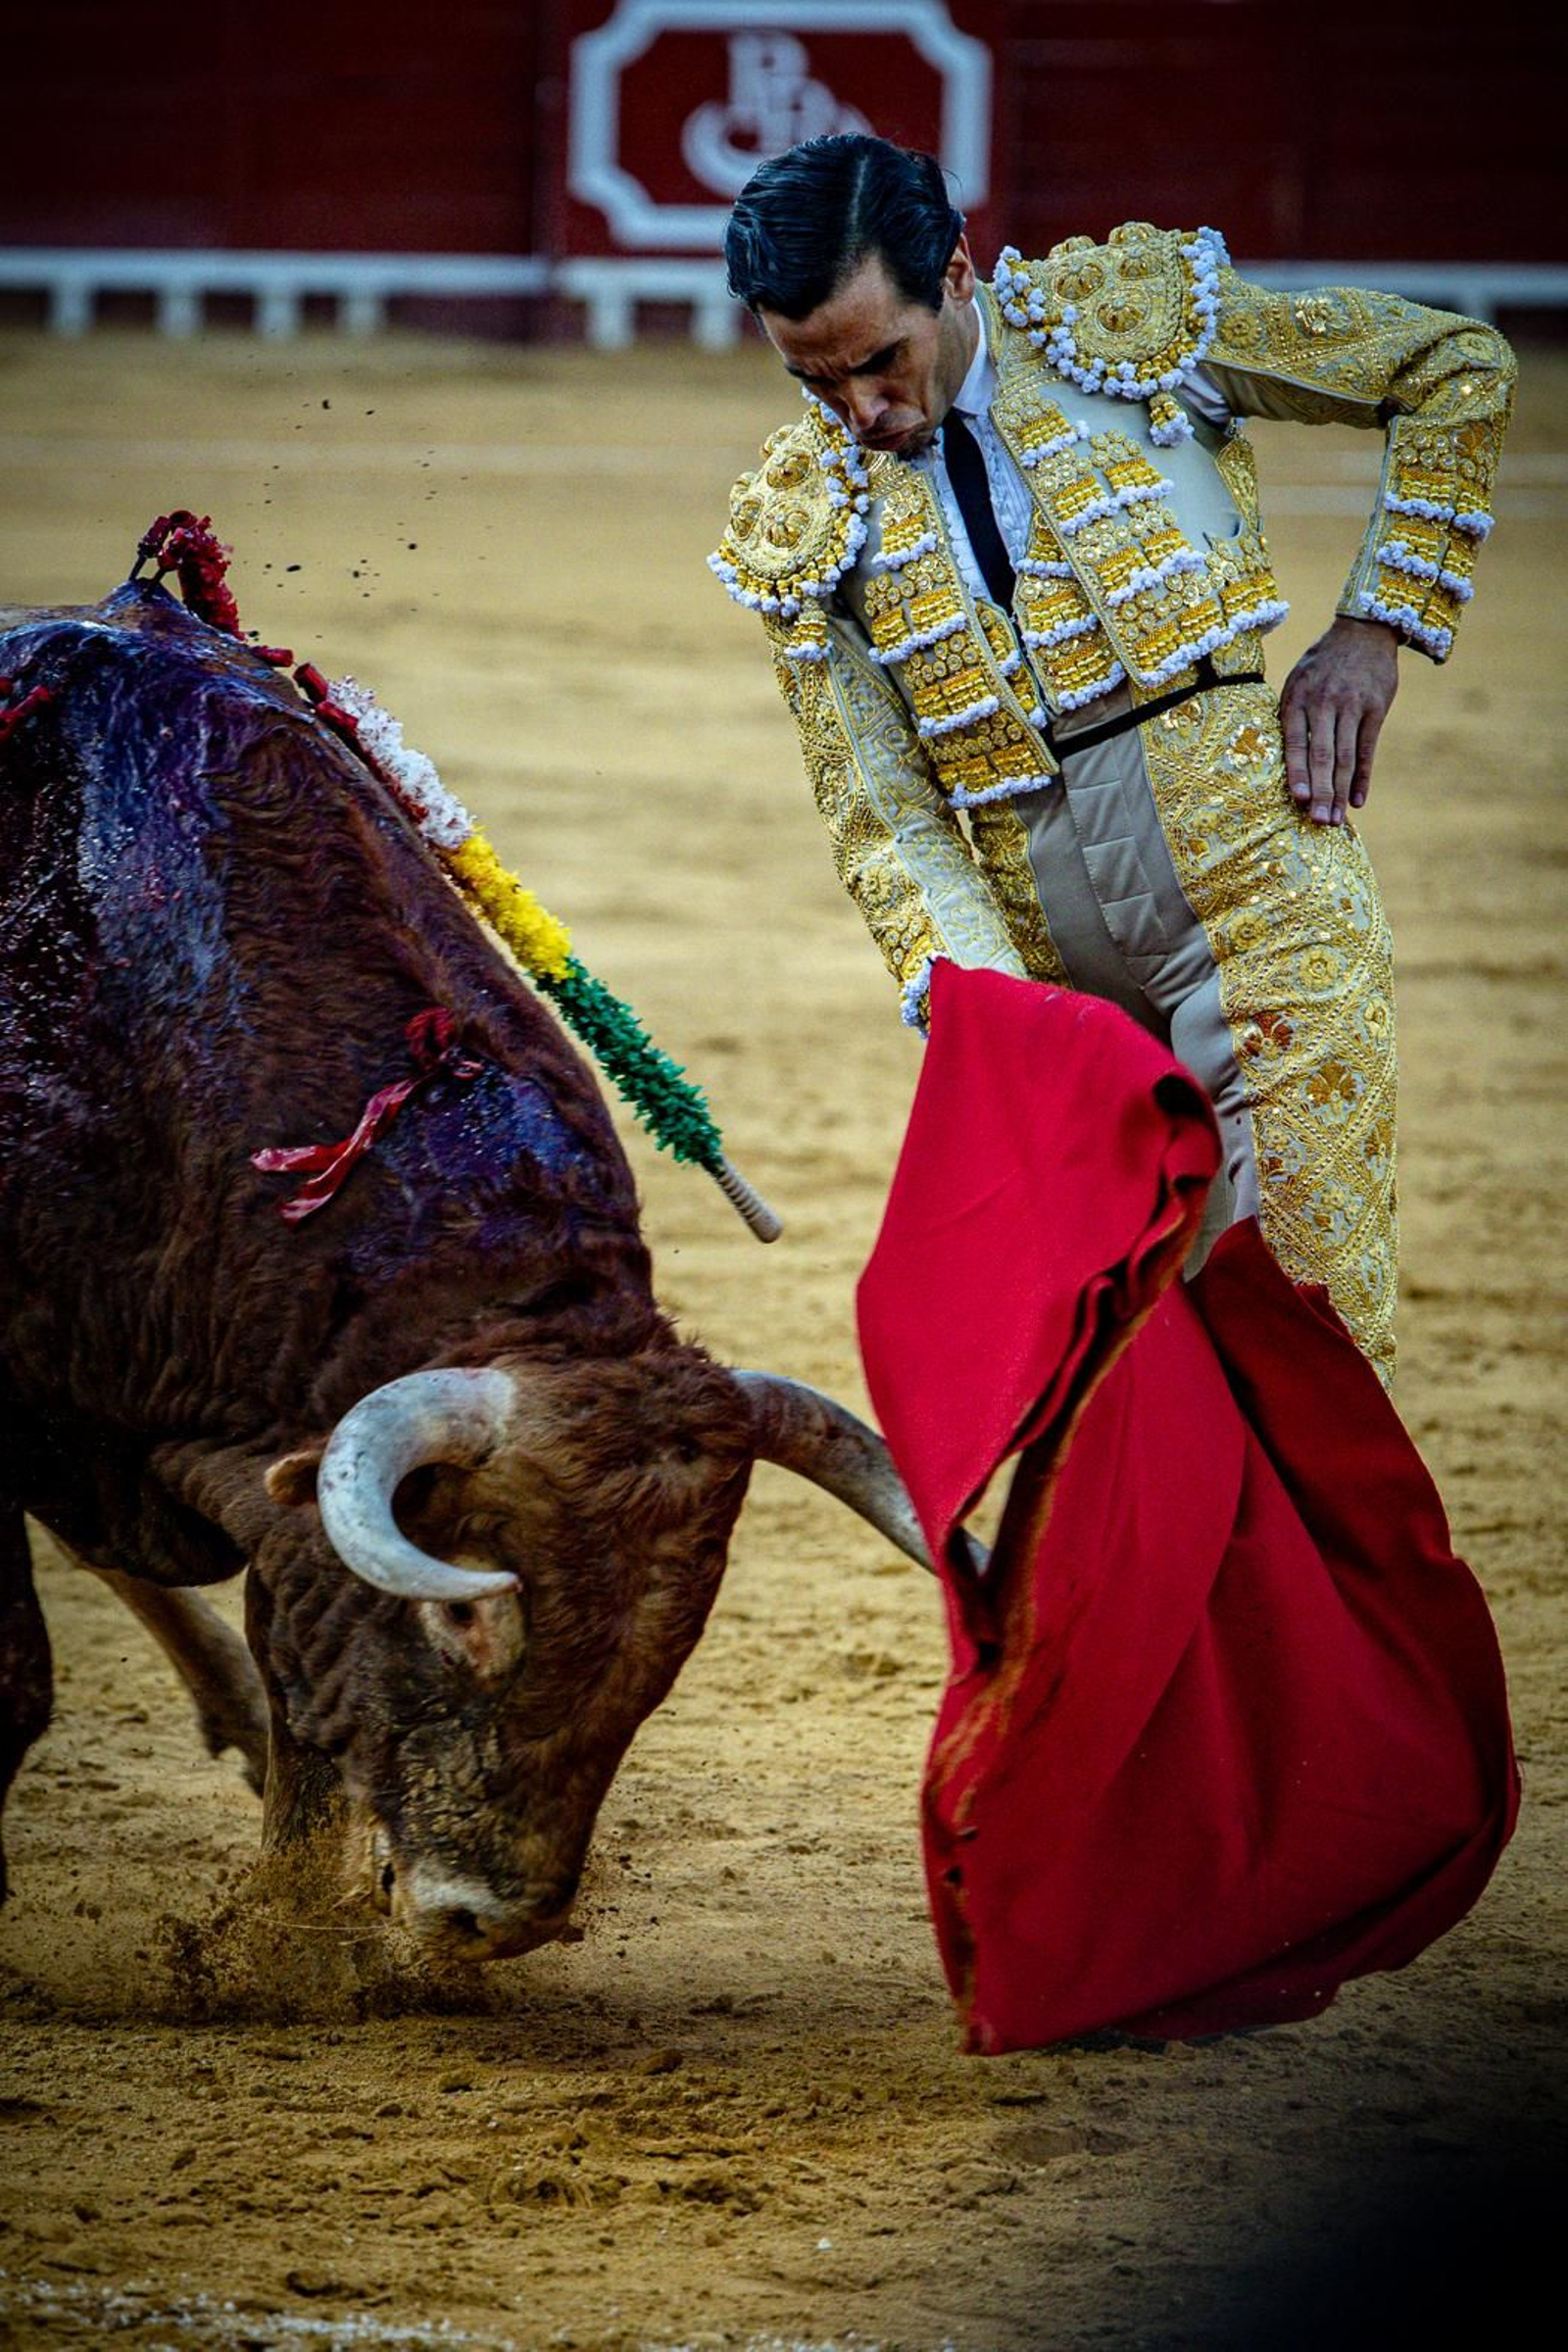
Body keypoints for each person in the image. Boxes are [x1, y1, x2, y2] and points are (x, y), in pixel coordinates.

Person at [710, 135, 1515, 1383]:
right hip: (1058, 995)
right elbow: (886, 819)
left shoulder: (1132, 329)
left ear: (957, 273)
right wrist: (994, 1014)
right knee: (1134, 1382)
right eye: (815, 381)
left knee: (1306, 1349)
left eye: (880, 360)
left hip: (1262, 915)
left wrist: (1376, 625)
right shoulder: (805, 523)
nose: (861, 413)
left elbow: (1452, 368)